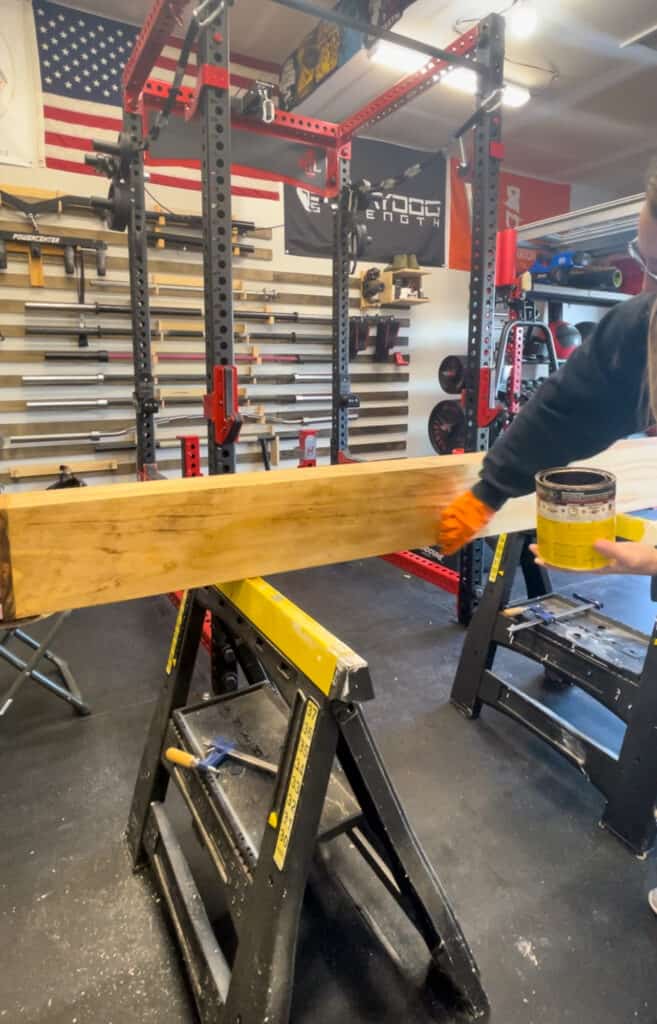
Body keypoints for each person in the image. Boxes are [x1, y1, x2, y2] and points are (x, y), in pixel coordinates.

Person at [438, 160, 657, 911]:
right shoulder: (642, 329)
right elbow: (563, 409)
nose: (635, 240)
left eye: (646, 220)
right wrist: (489, 491)